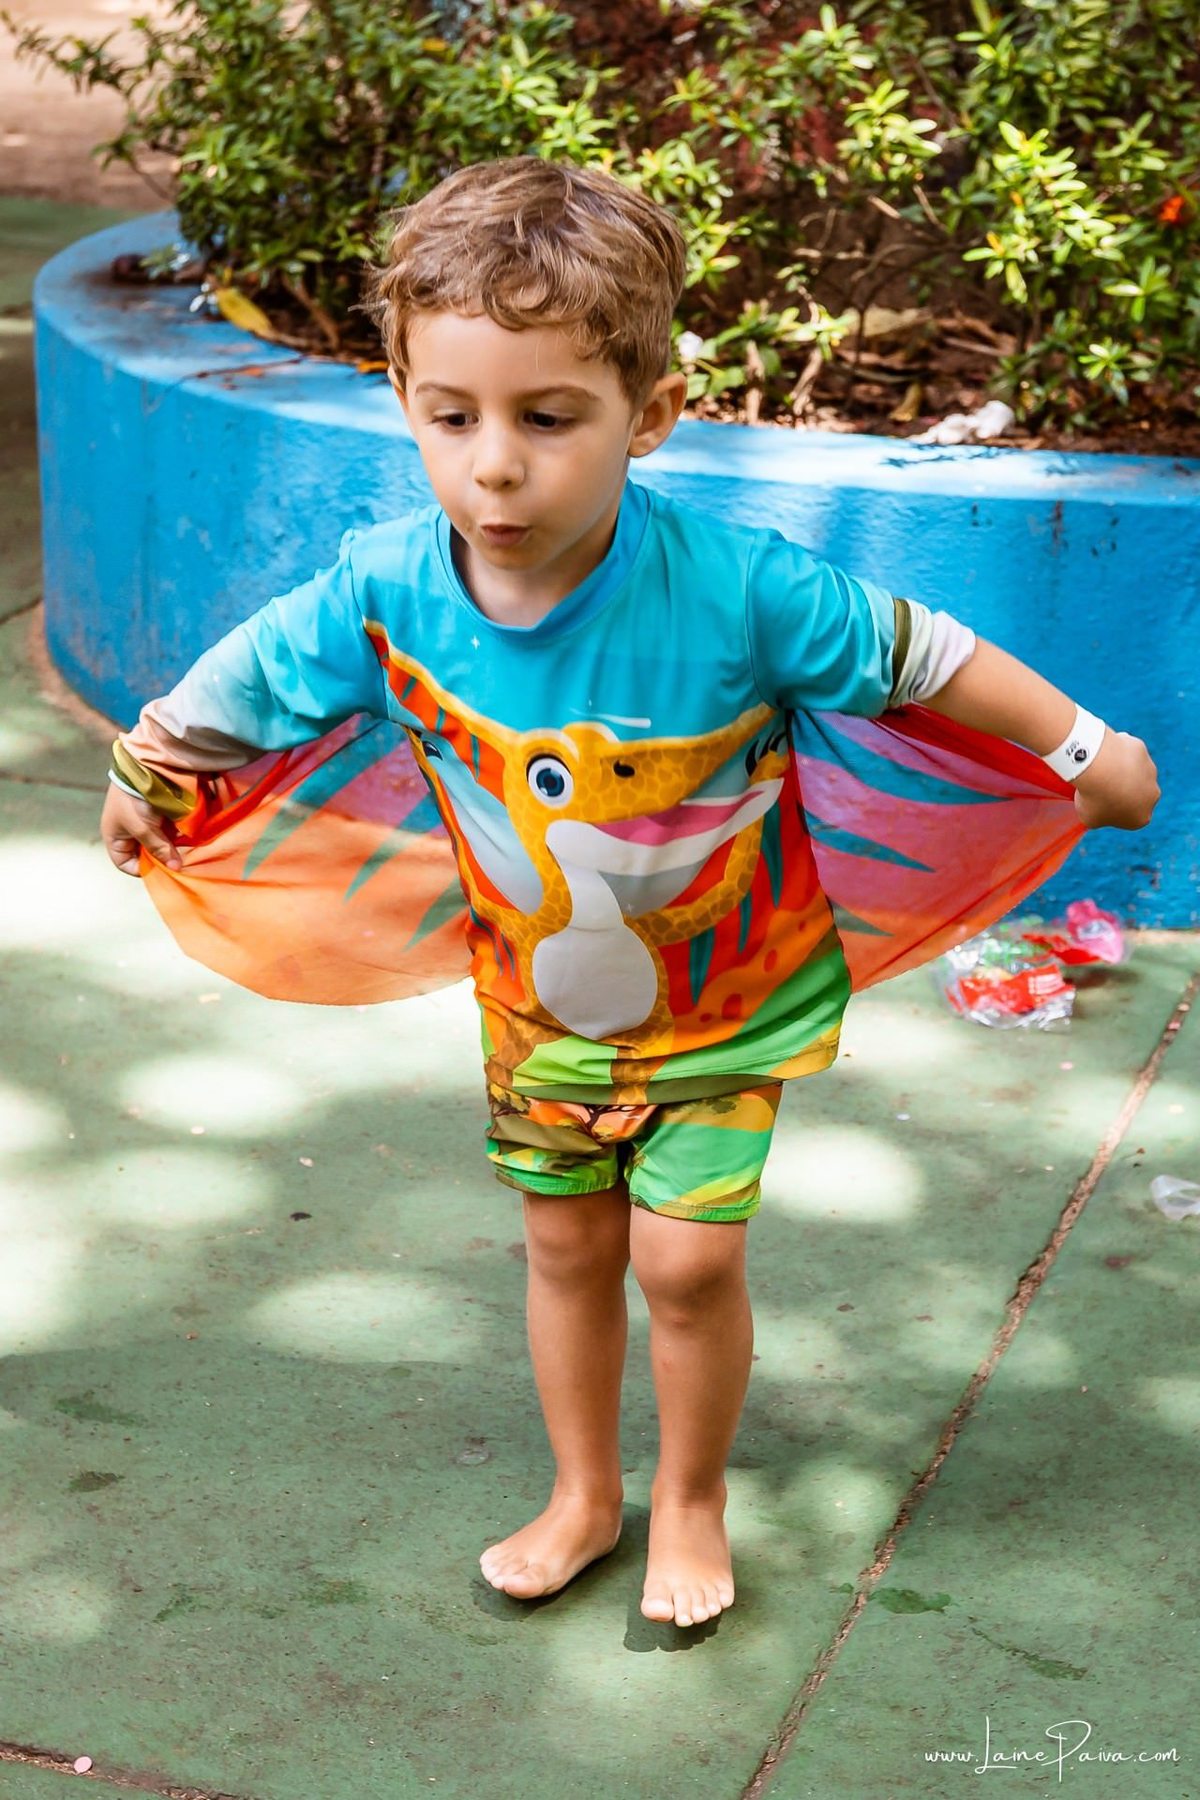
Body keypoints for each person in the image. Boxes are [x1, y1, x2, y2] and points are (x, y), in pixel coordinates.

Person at [100, 157, 1159, 1631]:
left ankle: (696, 1502)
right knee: (566, 1243)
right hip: (537, 1015)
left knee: (684, 1255)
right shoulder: (386, 589)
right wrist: (154, 766)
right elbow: (252, 680)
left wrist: (1088, 750)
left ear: (647, 417)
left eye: (548, 418)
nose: (494, 467)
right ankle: (584, 1493)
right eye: (448, 416)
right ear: (400, 393)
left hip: (729, 1001)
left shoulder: (736, 590)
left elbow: (926, 654)